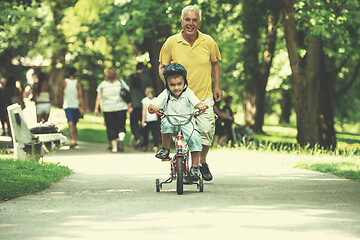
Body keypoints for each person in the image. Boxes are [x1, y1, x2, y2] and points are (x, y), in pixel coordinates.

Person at [158, 5, 222, 181]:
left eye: (194, 20)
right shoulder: (171, 42)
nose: (191, 23)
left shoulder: (208, 41)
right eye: (187, 19)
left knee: (206, 130)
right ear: (181, 21)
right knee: (185, 133)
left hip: (204, 96)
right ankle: (186, 168)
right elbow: (162, 67)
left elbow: (215, 64)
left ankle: (202, 162)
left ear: (199, 22)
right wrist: (170, 89)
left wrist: (217, 87)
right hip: (181, 99)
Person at [149, 63, 208, 181]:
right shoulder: (166, 94)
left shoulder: (188, 93)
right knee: (165, 123)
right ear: (167, 84)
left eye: (179, 84)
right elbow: (155, 103)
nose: (176, 88)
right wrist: (152, 107)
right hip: (171, 119)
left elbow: (196, 102)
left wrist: (200, 105)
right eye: (172, 85)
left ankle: (195, 167)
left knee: (195, 137)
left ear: (184, 82)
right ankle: (165, 148)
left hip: (187, 120)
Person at [94, 68, 130, 152]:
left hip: (108, 109)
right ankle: (121, 139)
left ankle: (114, 148)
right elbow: (128, 90)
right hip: (121, 107)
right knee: (121, 126)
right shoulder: (120, 83)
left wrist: (96, 108)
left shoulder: (103, 85)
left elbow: (99, 97)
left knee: (111, 128)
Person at [58, 67, 84, 149]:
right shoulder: (77, 83)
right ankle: (74, 140)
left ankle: (72, 140)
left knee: (71, 123)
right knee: (74, 124)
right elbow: (80, 95)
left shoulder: (64, 82)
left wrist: (59, 102)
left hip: (67, 105)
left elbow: (59, 93)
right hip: (75, 106)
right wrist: (81, 106)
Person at [127, 62, 152, 147]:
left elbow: (128, 91)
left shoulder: (130, 77)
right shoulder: (147, 78)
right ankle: (143, 140)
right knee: (143, 123)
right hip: (144, 105)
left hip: (134, 104)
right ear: (143, 68)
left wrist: (129, 105)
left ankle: (138, 137)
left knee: (133, 123)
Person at [2, 75, 24, 140]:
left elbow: (3, 98)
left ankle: (12, 139)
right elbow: (20, 97)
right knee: (15, 123)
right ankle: (17, 138)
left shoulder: (4, 89)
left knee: (9, 124)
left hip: (6, 105)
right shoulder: (16, 89)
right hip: (14, 106)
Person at [140, 87, 161, 152]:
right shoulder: (156, 99)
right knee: (155, 134)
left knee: (145, 134)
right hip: (154, 119)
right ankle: (155, 147)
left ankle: (144, 146)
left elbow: (144, 111)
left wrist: (143, 120)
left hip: (147, 119)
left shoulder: (144, 100)